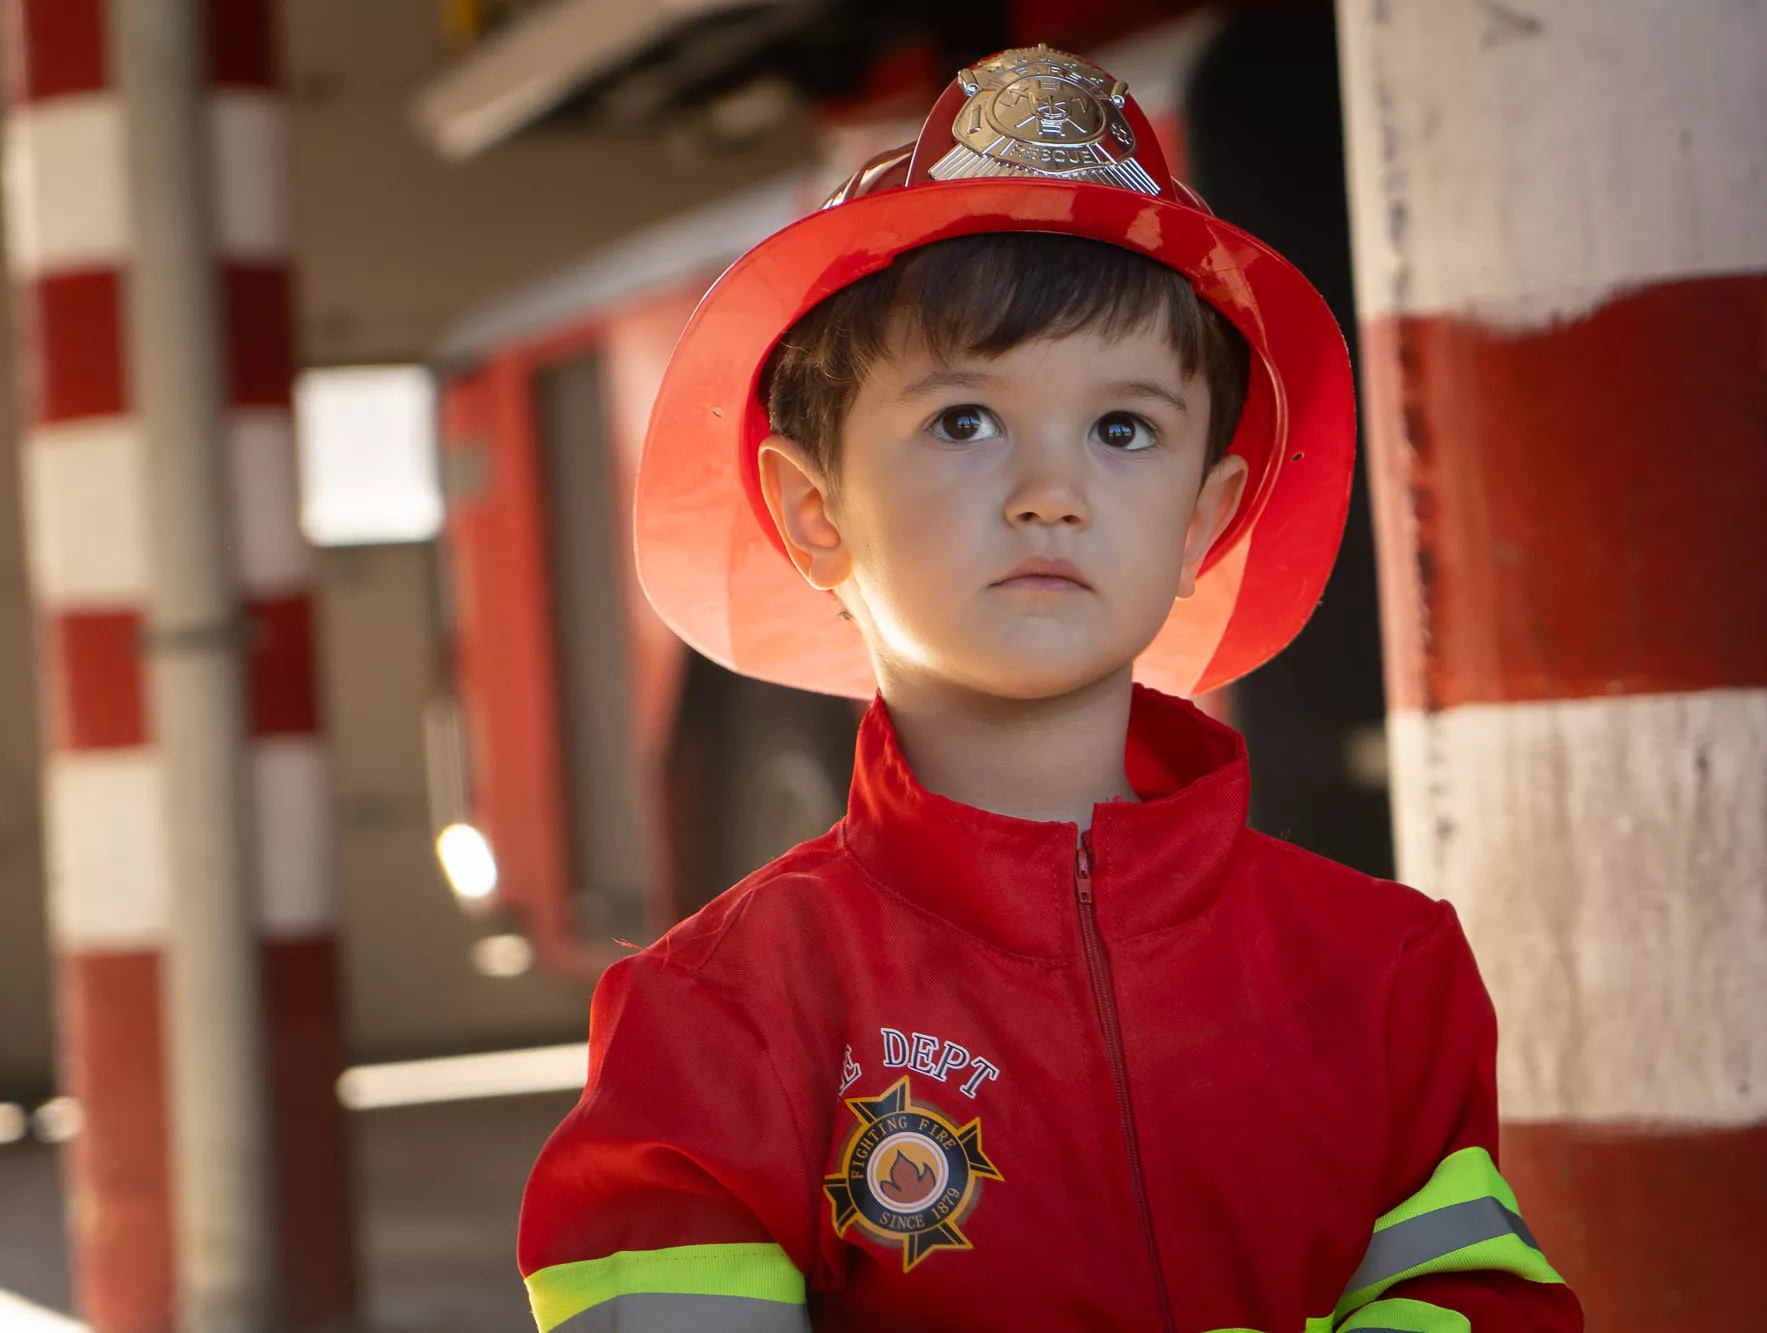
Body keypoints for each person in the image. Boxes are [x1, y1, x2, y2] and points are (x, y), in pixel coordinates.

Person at [516, 45, 1584, 1333]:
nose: (1051, 491)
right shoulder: (716, 1020)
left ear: (1205, 519)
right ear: (813, 512)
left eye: (1123, 429)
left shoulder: (1386, 974)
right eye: (964, 420)